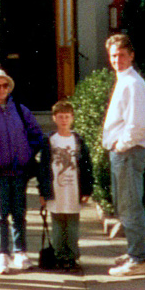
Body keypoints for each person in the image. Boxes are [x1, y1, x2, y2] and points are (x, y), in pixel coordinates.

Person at [0, 67, 44, 276]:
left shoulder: (21, 110)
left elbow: (36, 135)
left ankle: (20, 251)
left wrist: (27, 153)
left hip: (20, 171)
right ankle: (2, 254)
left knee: (19, 213)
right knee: (0, 214)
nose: (1, 89)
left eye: (4, 85)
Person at [101, 32, 145, 277]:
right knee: (127, 205)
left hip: (128, 152)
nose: (117, 59)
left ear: (131, 56)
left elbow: (137, 124)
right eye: (113, 55)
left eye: (122, 54)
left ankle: (138, 259)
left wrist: (121, 146)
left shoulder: (133, 83)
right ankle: (141, 249)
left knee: (130, 206)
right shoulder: (124, 80)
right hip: (122, 152)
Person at [37, 99, 94, 271]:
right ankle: (59, 256)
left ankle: (71, 257)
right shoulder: (50, 141)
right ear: (54, 118)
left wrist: (87, 189)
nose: (64, 120)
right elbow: (43, 168)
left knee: (72, 227)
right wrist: (42, 192)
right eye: (60, 117)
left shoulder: (78, 141)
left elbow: (86, 167)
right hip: (56, 191)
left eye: (67, 117)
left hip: (73, 191)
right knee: (57, 227)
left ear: (72, 118)